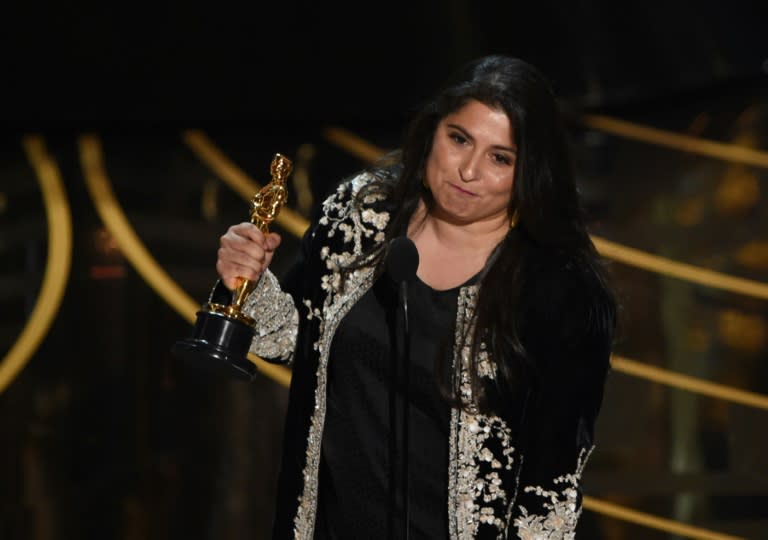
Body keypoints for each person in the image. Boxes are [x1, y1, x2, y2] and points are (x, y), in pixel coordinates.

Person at [210, 54, 618, 539]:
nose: (468, 171)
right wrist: (250, 282)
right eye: (459, 139)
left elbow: (551, 485)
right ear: (432, 132)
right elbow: (295, 338)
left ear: (531, 169)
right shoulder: (363, 215)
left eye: (500, 158)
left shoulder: (560, 289)